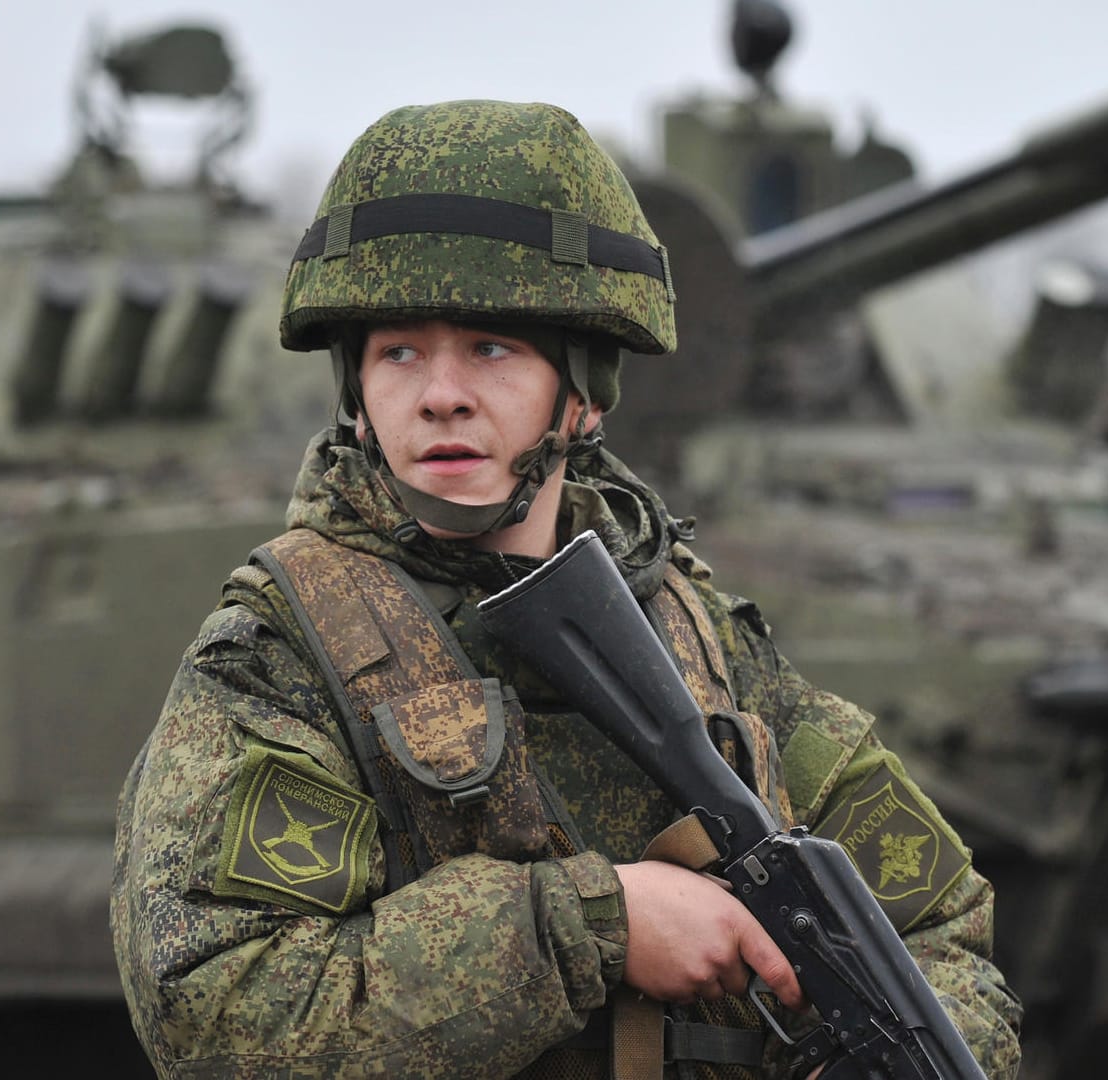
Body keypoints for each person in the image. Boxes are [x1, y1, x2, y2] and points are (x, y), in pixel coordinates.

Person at [111, 99, 1021, 1079]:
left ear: (583, 392)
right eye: (399, 352)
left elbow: (939, 927)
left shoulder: (694, 629)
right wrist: (599, 924)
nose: (441, 393)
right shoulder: (287, 650)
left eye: (492, 349)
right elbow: (218, 1012)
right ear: (358, 398)